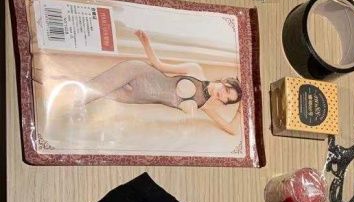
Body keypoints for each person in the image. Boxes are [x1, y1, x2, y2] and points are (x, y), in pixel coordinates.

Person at [37, 29, 242, 137]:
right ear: (223, 82)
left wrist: (243, 108)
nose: (221, 95)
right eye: (226, 90)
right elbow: (159, 65)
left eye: (226, 99)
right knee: (87, 94)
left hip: (136, 96)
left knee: (86, 87)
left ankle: (47, 78)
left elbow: (232, 129)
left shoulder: (205, 107)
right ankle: (48, 92)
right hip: (138, 72)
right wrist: (146, 43)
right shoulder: (195, 70)